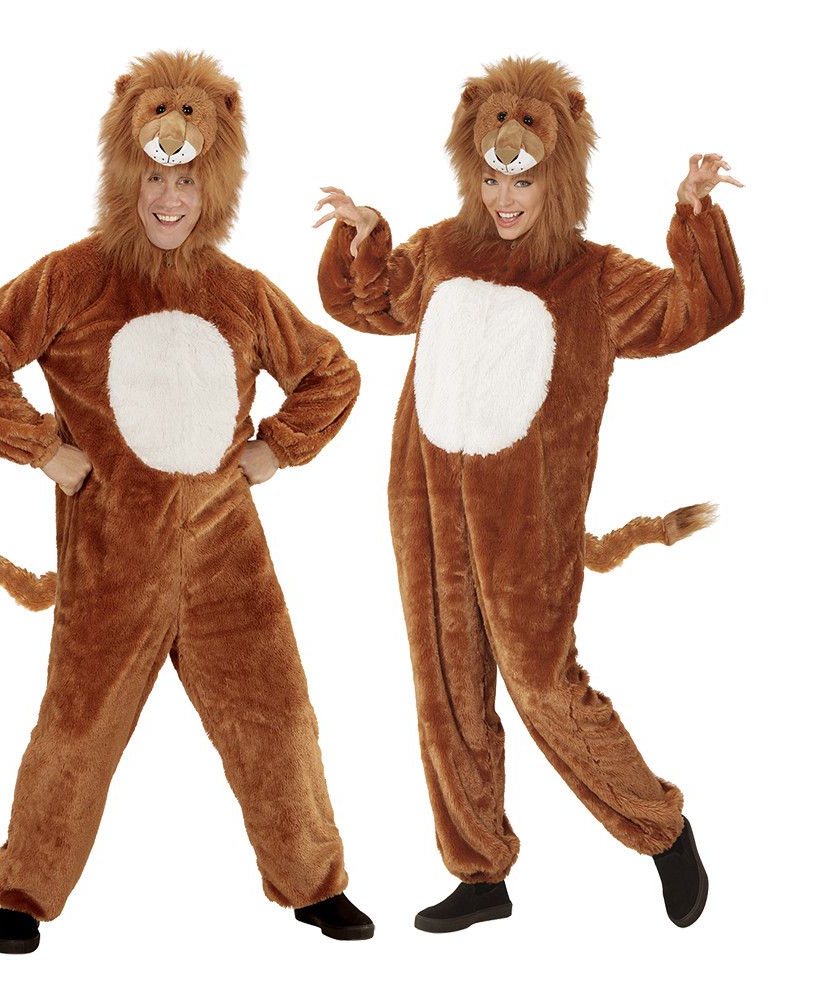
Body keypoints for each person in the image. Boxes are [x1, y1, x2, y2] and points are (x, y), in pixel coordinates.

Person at [0, 50, 374, 952]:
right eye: (156, 178)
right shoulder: (72, 277)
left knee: (279, 721)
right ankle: (24, 896)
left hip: (229, 564)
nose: (170, 199)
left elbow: (332, 373)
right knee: (76, 731)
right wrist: (45, 450)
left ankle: (313, 885)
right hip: (111, 563)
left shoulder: (242, 293)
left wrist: (274, 450)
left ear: (216, 186)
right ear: (127, 175)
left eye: (189, 180)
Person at [314, 55, 743, 933]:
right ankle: (481, 873)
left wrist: (695, 215)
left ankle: (661, 828)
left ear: (560, 177)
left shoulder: (594, 277)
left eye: (524, 178)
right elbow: (371, 304)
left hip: (527, 524)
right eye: (491, 177)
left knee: (544, 685)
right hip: (425, 506)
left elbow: (697, 309)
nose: (505, 196)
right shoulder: (441, 250)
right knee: (446, 690)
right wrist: (365, 237)